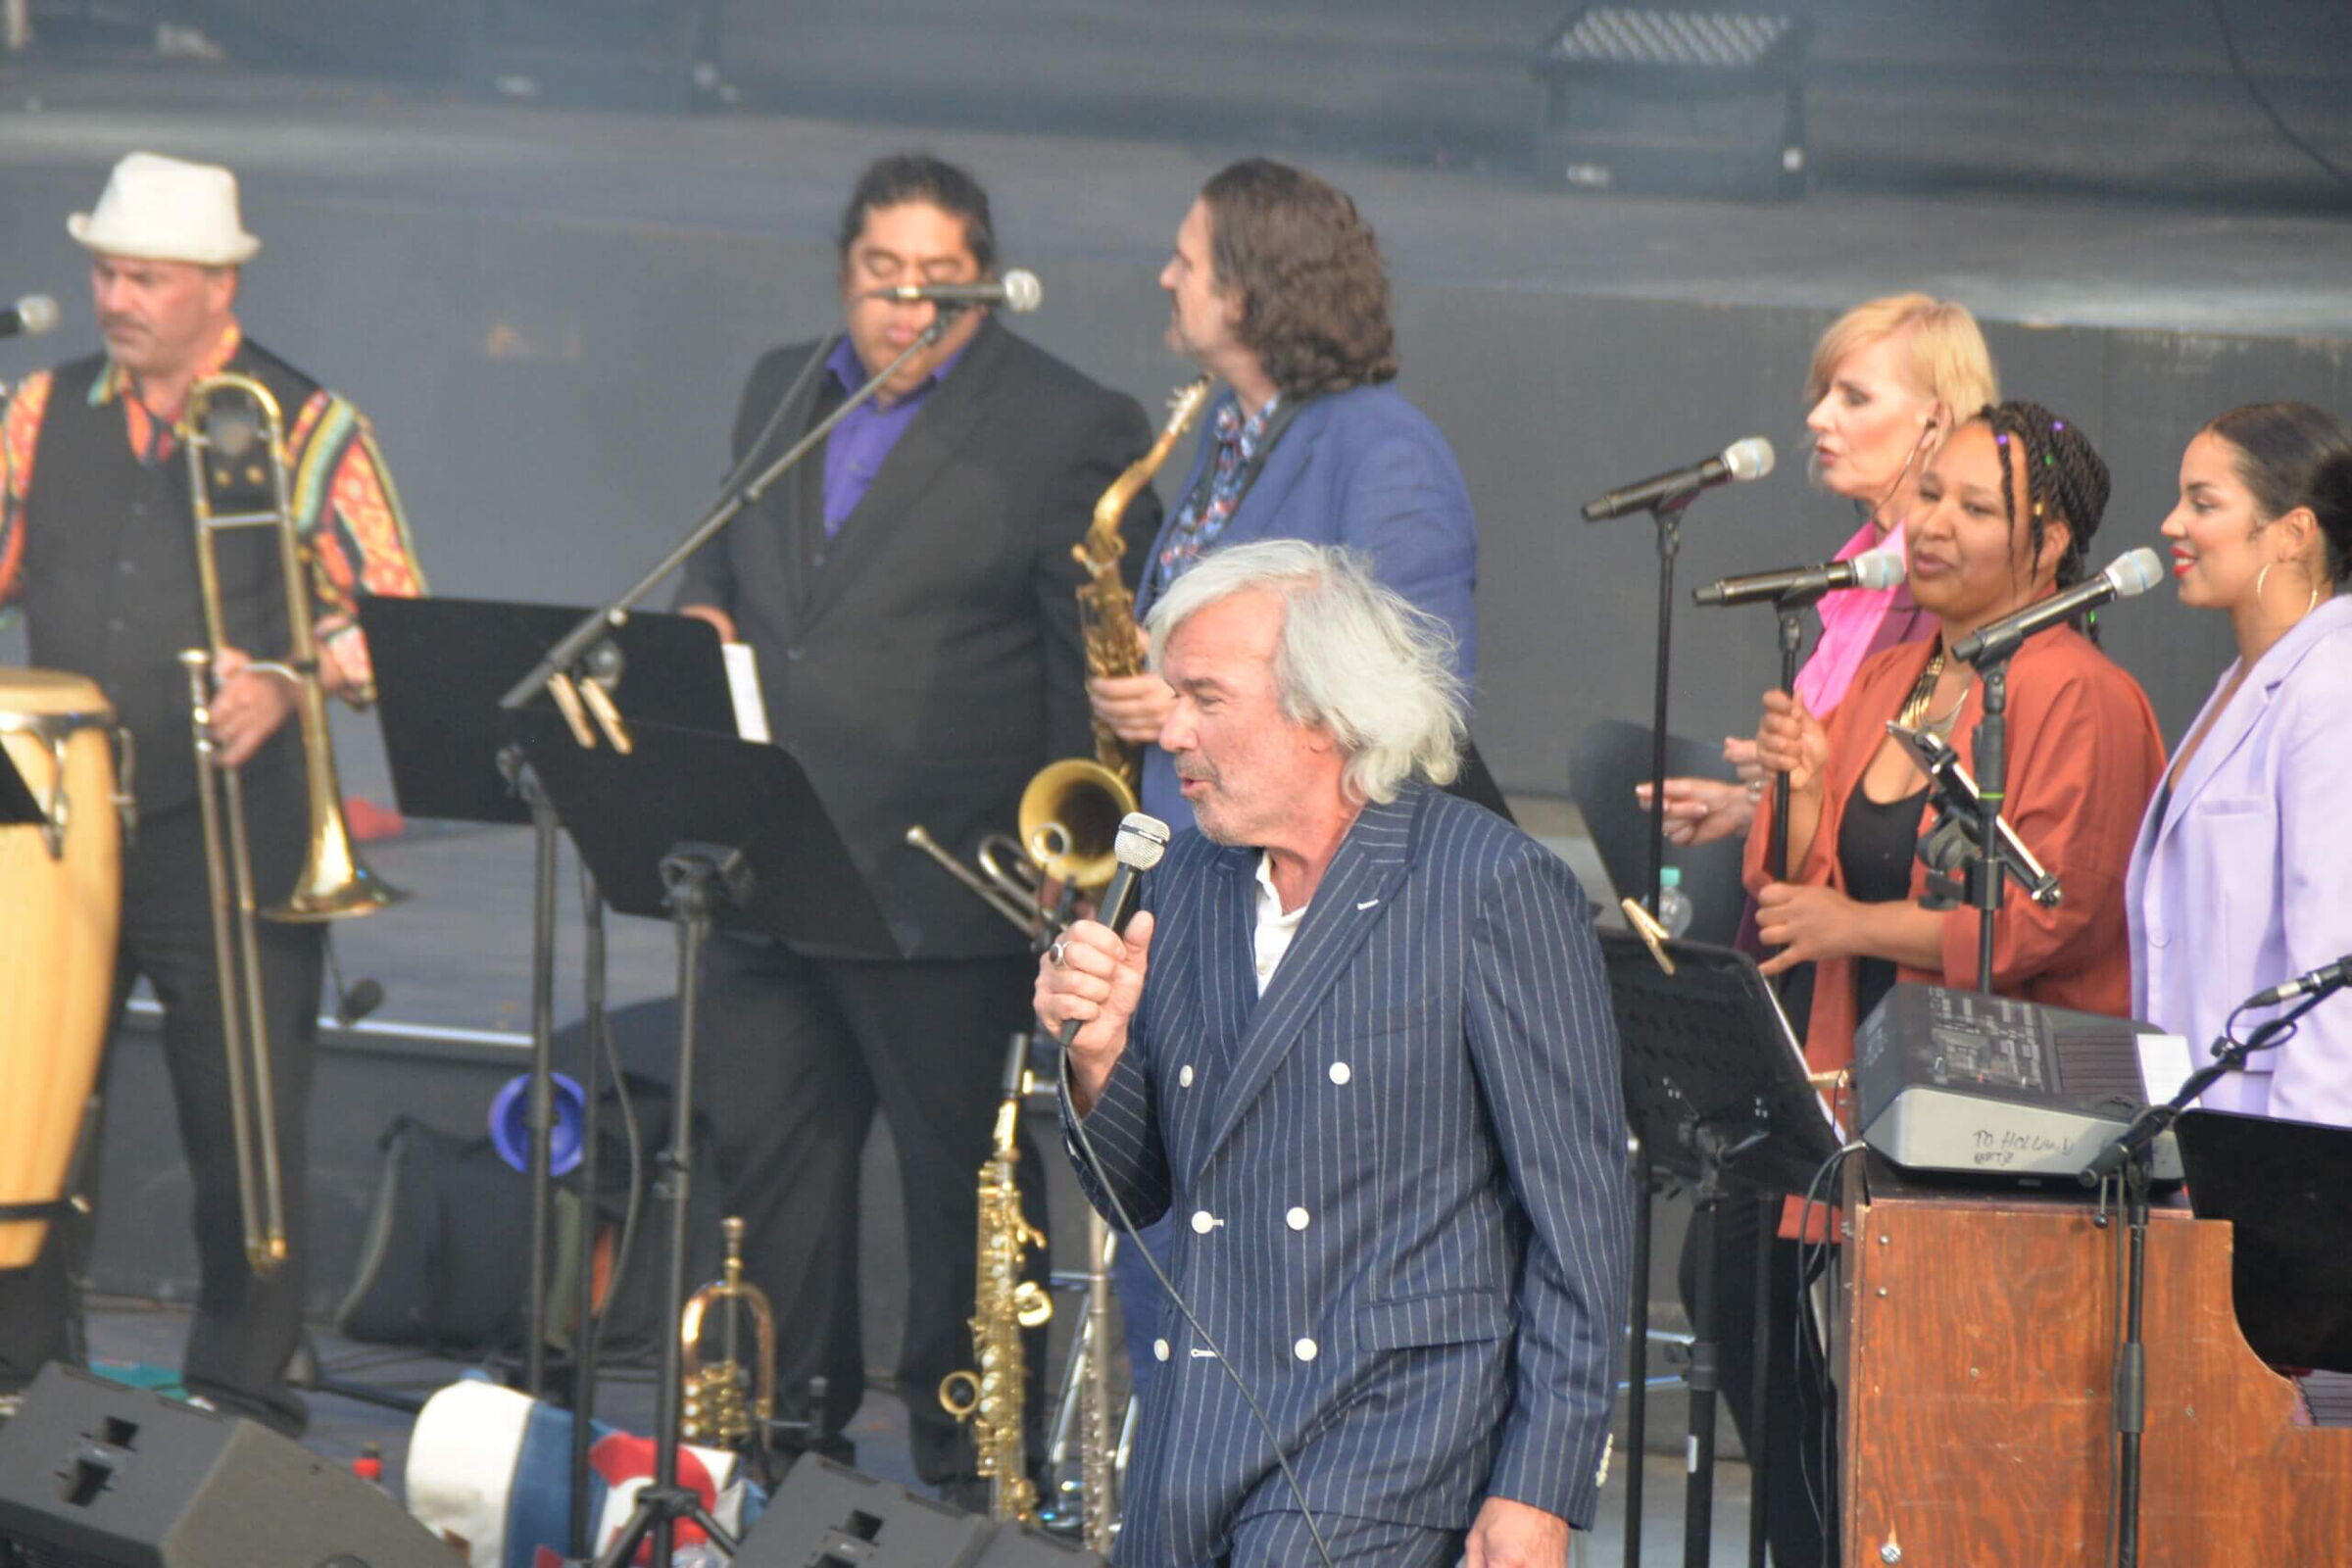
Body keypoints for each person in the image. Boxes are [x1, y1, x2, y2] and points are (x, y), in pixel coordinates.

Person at [670, 152, 1158, 1499]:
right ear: (846, 275)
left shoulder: (1070, 421)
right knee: (773, 1177)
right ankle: (784, 1450)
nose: (908, 302)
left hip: (945, 886)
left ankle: (971, 1469)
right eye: (883, 274)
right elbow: (731, 554)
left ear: (985, 285)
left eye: (940, 279)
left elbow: (1084, 666)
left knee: (963, 1195)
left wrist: (1082, 859)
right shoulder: (784, 384)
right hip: (772, 864)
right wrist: (706, 609)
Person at [1039, 541, 1629, 1568]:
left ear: (1322, 712)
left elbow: (1579, 1219)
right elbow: (1142, 1193)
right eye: (1172, 696)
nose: (1170, 731)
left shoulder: (1488, 884)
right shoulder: (1182, 883)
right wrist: (1099, 1060)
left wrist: (1540, 1486)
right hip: (1198, 1433)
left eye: (1204, 697)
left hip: (1394, 1443)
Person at [0, 151, 425, 1432]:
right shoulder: (40, 408)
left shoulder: (304, 422)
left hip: (233, 827)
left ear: (217, 285)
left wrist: (293, 678)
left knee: (240, 1128)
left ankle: (238, 1405)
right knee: (32, 1108)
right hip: (60, 825)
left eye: (145, 278)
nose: (114, 299)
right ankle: (23, 1380)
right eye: (105, 272)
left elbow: (394, 624)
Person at [1081, 155, 1489, 1404]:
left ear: (1252, 290)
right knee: (1175, 1241)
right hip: (1195, 872)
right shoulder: (1228, 431)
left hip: (1302, 916)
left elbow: (1411, 696)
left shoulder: (1386, 451)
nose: (1166, 276)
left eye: (1189, 259)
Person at [1733, 401, 2165, 1566]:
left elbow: (2047, 917)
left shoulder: (2078, 691)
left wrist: (1853, 919)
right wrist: (1806, 788)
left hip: (2001, 1136)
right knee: (1825, 1426)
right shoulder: (1896, 671)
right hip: (1864, 1115)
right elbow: (1794, 889)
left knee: (1945, 1467)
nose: (1931, 525)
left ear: (2051, 543)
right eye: (1930, 495)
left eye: (1976, 508)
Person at [1642, 293, 1996, 847]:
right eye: (1826, 393)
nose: (1817, 417)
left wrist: (1781, 784)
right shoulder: (1854, 578)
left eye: (1854, 398)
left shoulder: (1948, 598)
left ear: (1935, 422)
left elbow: (1899, 797)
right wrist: (1755, 801)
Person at [2128, 403, 2352, 1125]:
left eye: (2204, 503)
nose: (2173, 524)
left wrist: (2299, 1175)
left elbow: (2334, 971)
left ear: (2293, 533)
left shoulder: (2332, 689)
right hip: (2195, 1131)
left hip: (2271, 1139)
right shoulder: (2244, 679)